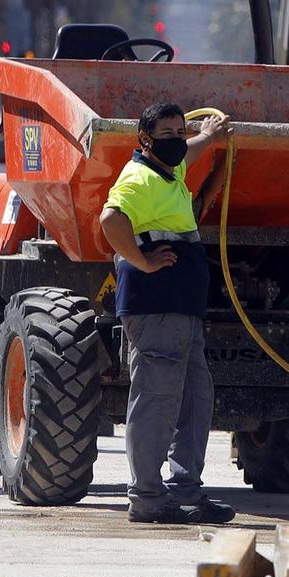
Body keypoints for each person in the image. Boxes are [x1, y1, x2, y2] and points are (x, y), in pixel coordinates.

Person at [98, 102, 236, 524]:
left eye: (180, 131)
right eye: (168, 134)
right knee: (157, 402)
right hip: (156, 310)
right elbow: (110, 219)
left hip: (182, 310)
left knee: (195, 399)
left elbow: (187, 153)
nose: (177, 140)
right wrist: (140, 261)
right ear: (145, 140)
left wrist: (208, 137)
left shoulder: (167, 169)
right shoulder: (138, 178)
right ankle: (147, 497)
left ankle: (185, 491)